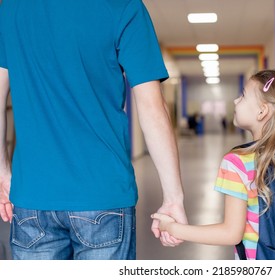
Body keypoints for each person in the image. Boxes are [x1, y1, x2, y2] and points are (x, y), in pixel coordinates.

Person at [0, 0, 187, 260]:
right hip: (103, 193)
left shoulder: (10, 8)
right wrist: (173, 198)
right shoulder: (123, 6)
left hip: (32, 194)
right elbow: (152, 107)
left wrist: (3, 171)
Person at [152, 68, 275, 260]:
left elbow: (231, 232)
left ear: (262, 111)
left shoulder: (238, 162)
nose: (235, 101)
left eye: (243, 96)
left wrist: (174, 228)